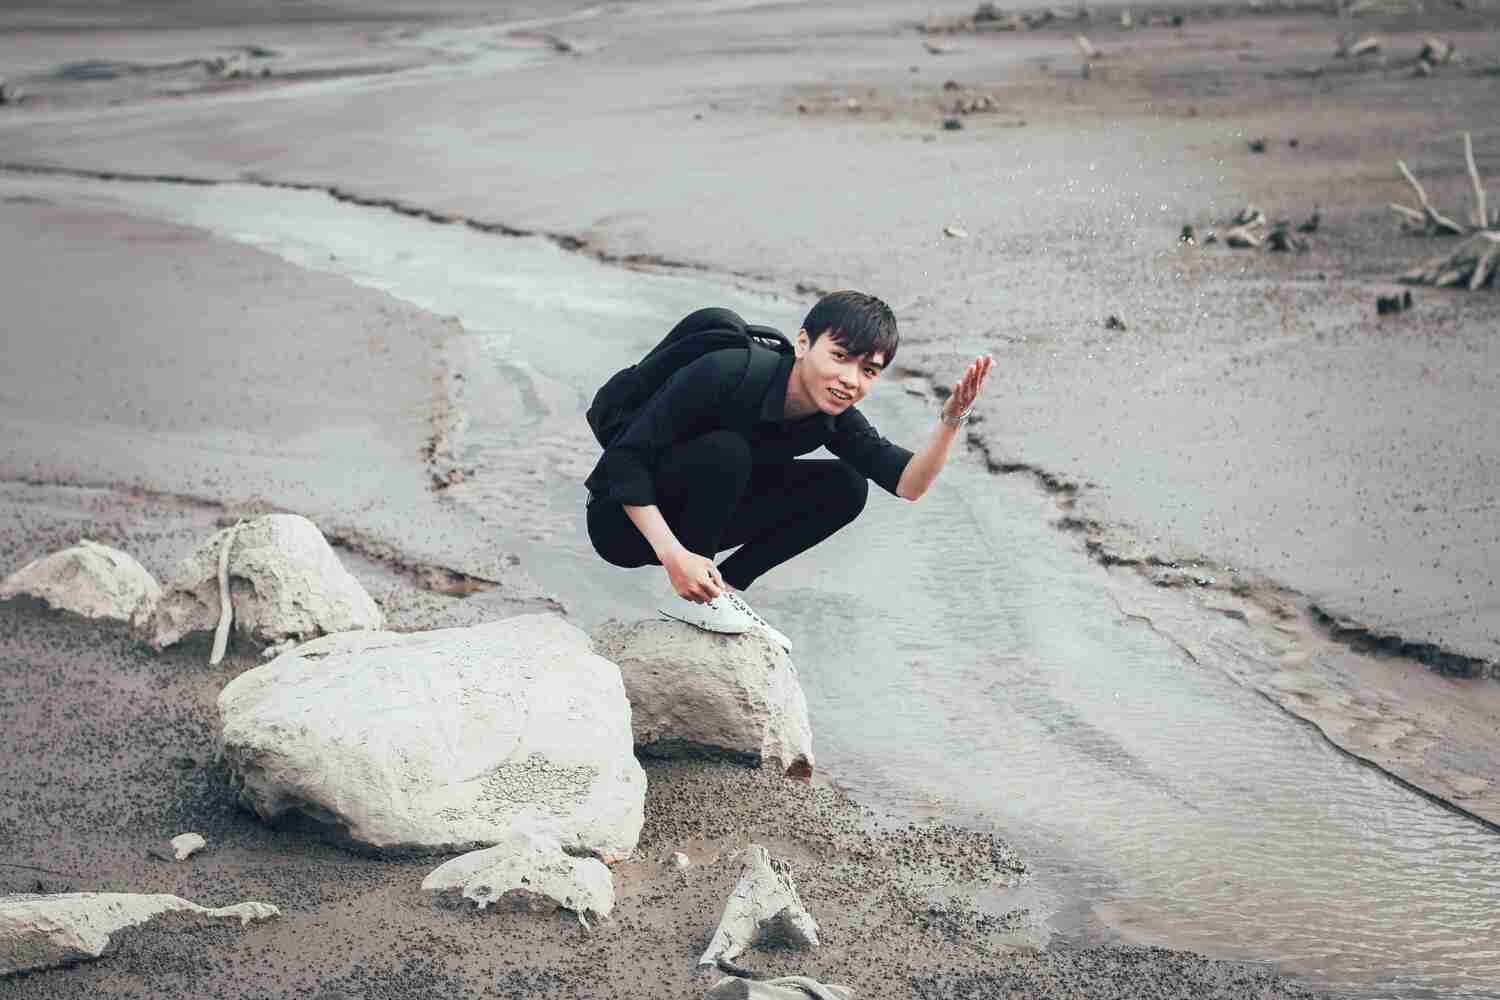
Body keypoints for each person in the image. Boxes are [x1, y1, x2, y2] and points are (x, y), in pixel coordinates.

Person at [584, 290, 992, 650]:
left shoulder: (835, 417)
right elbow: (623, 460)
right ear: (802, 343)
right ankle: (705, 599)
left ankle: (722, 589)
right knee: (727, 450)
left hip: (695, 525)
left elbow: (909, 484)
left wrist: (952, 419)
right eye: (840, 357)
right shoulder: (727, 372)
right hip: (622, 522)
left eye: (868, 371)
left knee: (848, 485)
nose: (850, 380)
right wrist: (674, 555)